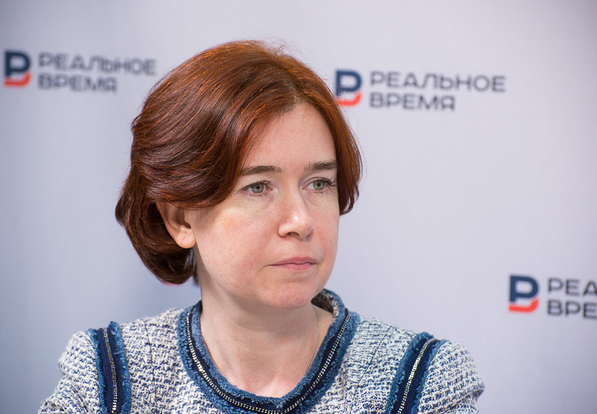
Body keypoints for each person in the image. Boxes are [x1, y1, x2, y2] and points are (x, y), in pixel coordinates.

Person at [39, 40, 484, 414]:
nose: (301, 221)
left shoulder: (421, 384)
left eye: (319, 183)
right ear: (179, 218)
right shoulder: (108, 380)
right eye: (257, 187)